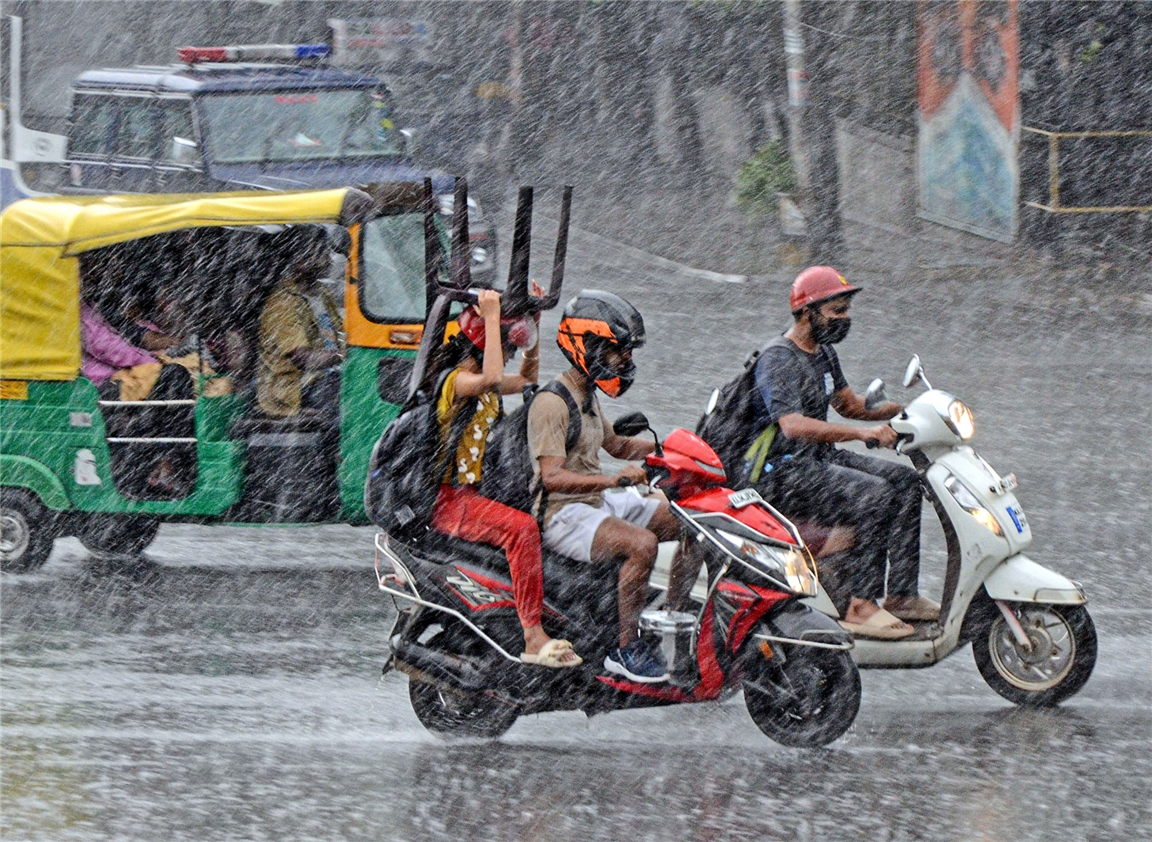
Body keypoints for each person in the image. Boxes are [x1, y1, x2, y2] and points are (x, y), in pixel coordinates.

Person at [747, 266, 940, 640]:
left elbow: (848, 404)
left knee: (903, 481)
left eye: (846, 310)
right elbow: (792, 425)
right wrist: (860, 433)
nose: (845, 319)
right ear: (807, 313)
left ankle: (901, 595)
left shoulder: (823, 353)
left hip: (817, 460)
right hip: (782, 471)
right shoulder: (778, 359)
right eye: (837, 311)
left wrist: (907, 410)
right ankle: (860, 604)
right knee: (873, 495)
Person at [527, 290, 696, 683]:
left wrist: (678, 449)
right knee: (642, 545)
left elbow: (617, 445)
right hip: (561, 513)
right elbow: (550, 477)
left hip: (596, 501)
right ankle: (626, 649)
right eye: (619, 351)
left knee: (691, 519)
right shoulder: (552, 403)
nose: (626, 361)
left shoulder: (586, 395)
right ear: (586, 347)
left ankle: (673, 617)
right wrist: (614, 479)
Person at [429, 289, 581, 668]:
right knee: (522, 529)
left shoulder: (486, 383)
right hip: (450, 501)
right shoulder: (456, 382)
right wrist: (493, 318)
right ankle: (532, 635)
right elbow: (494, 375)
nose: (509, 358)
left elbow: (528, 377)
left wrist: (535, 327)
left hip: (474, 495)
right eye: (504, 349)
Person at [256, 226, 344, 420]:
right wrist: (344, 355)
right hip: (299, 387)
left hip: (327, 378)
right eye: (321, 254)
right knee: (345, 396)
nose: (329, 260)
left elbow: (342, 336)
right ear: (300, 261)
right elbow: (305, 360)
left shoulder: (322, 294)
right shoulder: (282, 304)